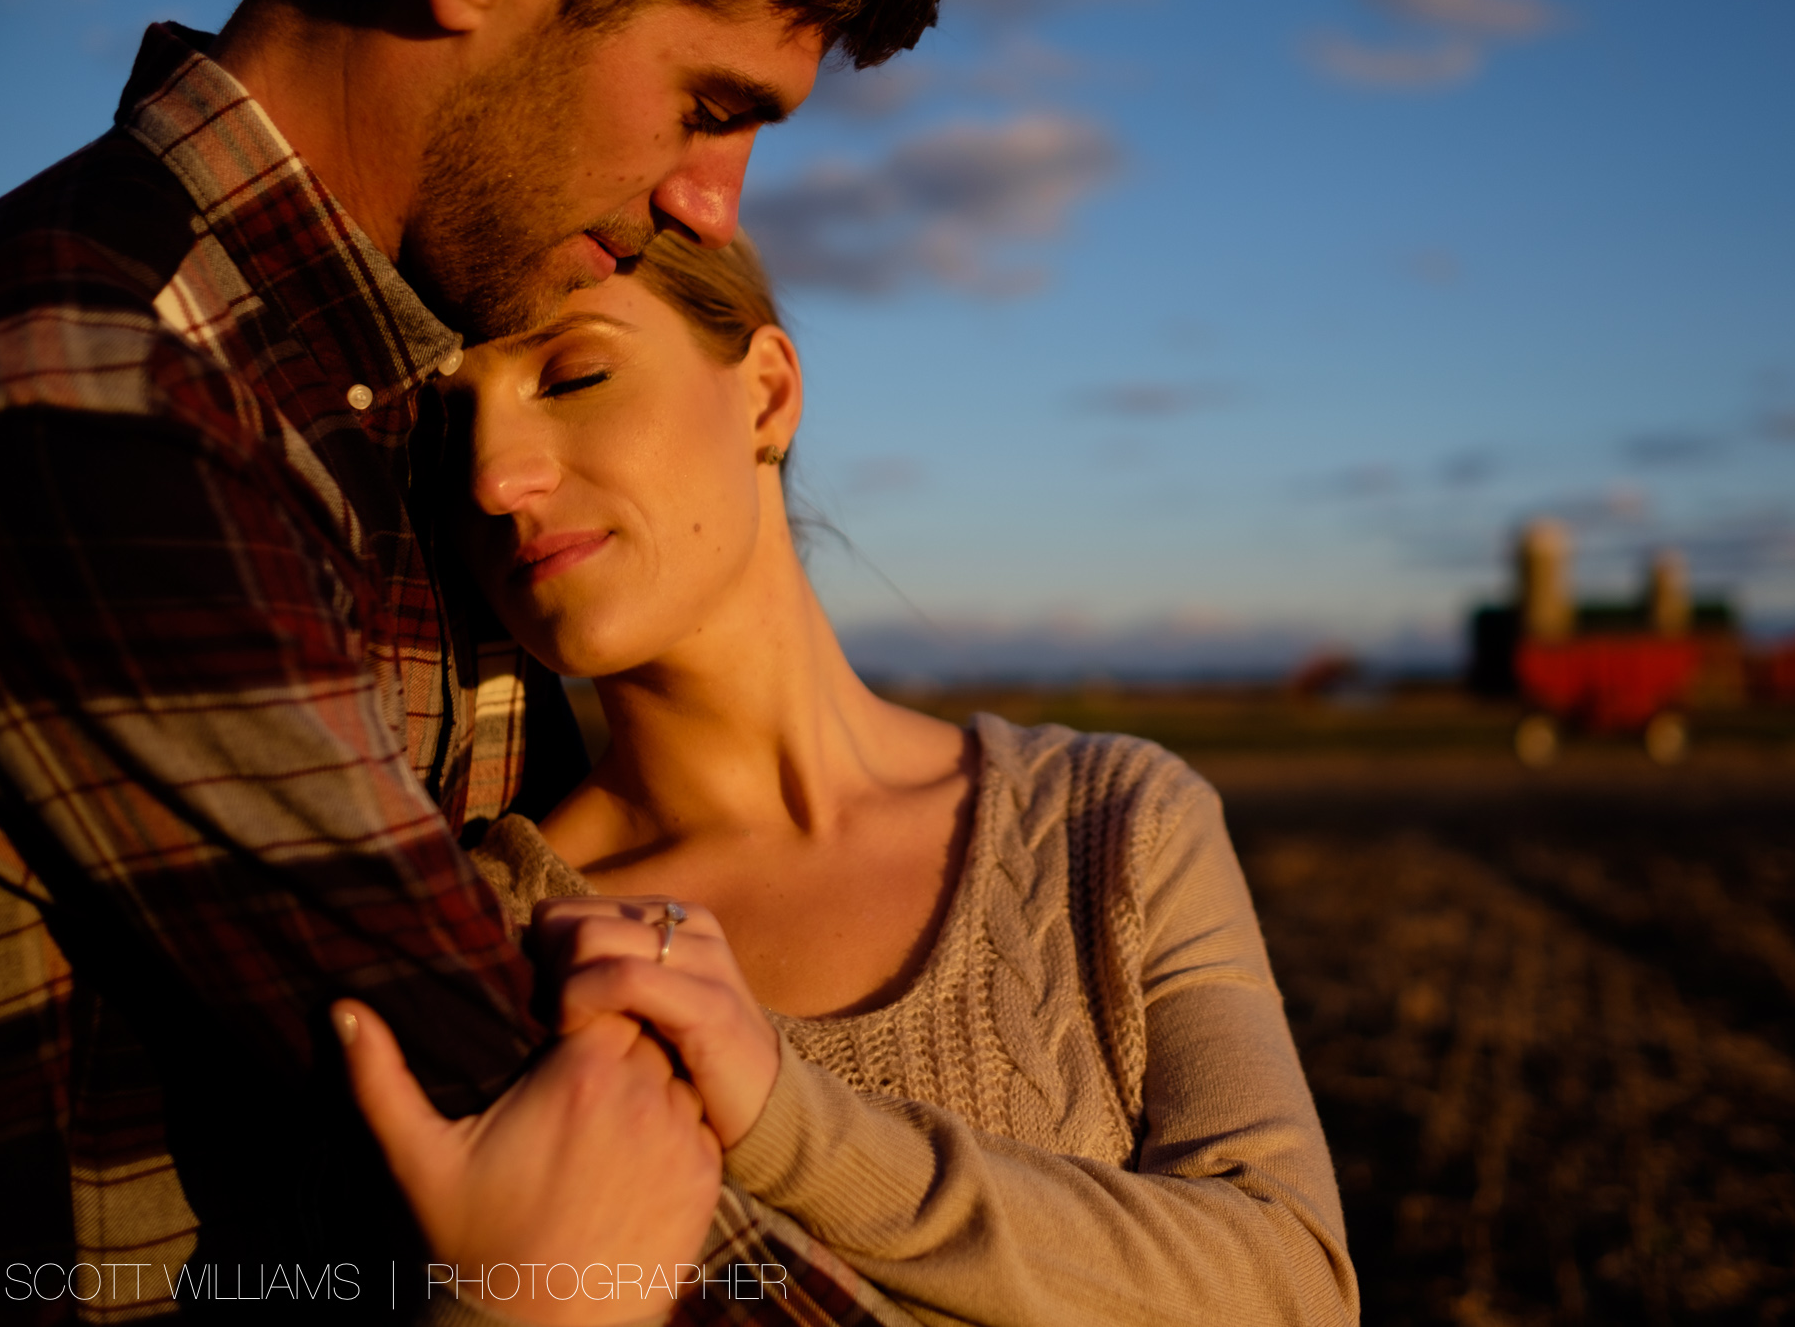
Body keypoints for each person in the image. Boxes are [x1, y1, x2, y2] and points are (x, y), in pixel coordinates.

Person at [0, 0, 940, 1321]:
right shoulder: (95, 386)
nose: (712, 205)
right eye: (705, 103)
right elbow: (554, 1151)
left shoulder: (392, 397)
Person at [344, 230, 1361, 1326]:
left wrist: (787, 1123)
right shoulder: (498, 934)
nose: (495, 477)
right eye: (448, 427)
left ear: (766, 397)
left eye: (574, 372)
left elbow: (1289, 1281)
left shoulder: (1109, 822)